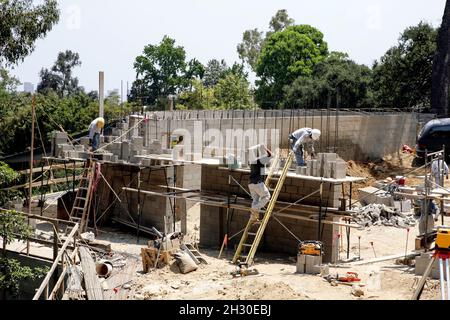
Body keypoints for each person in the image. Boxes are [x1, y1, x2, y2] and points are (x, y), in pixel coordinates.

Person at [248, 145, 272, 222]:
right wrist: (264, 148)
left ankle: (253, 217)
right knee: (267, 196)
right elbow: (271, 155)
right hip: (257, 183)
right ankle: (255, 208)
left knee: (255, 200)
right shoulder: (260, 160)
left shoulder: (251, 162)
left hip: (251, 184)